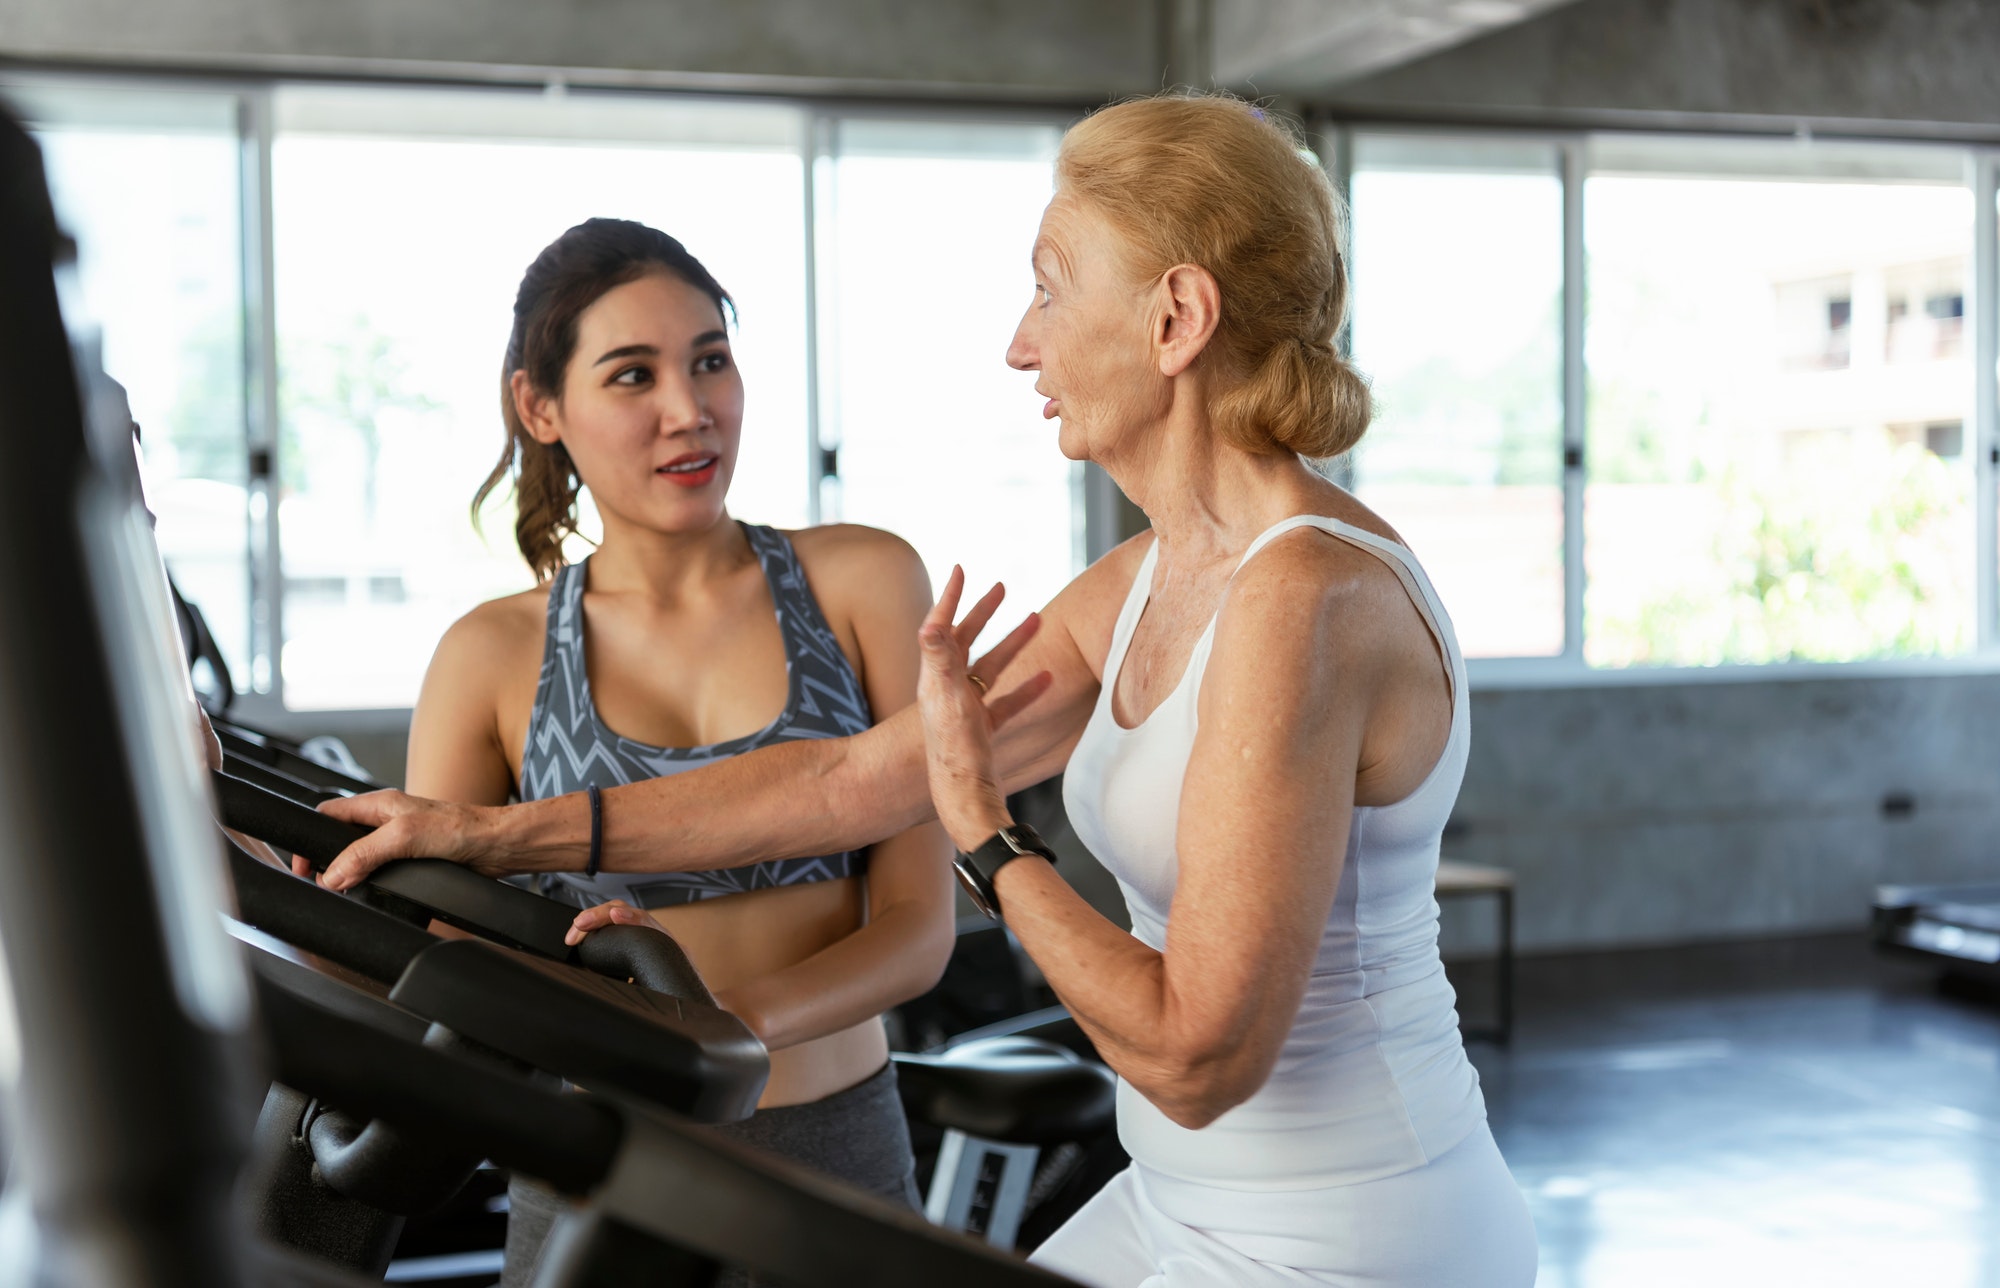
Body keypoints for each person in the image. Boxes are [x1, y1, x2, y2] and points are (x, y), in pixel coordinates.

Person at [322, 97, 1539, 1287]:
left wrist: (986, 838)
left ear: (1175, 318)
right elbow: (852, 780)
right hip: (1176, 1204)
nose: (1022, 340)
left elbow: (1191, 1053)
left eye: (1051, 287)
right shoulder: (1155, 573)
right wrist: (490, 832)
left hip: (1346, 1240)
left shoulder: (1302, 600)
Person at [395, 219, 953, 1281]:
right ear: (540, 407)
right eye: (631, 375)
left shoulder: (862, 584)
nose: (688, 411)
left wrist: (720, 1024)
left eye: (709, 360)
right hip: (599, 1162)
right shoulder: (490, 654)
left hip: (833, 1151)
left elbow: (920, 929)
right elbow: (451, 955)